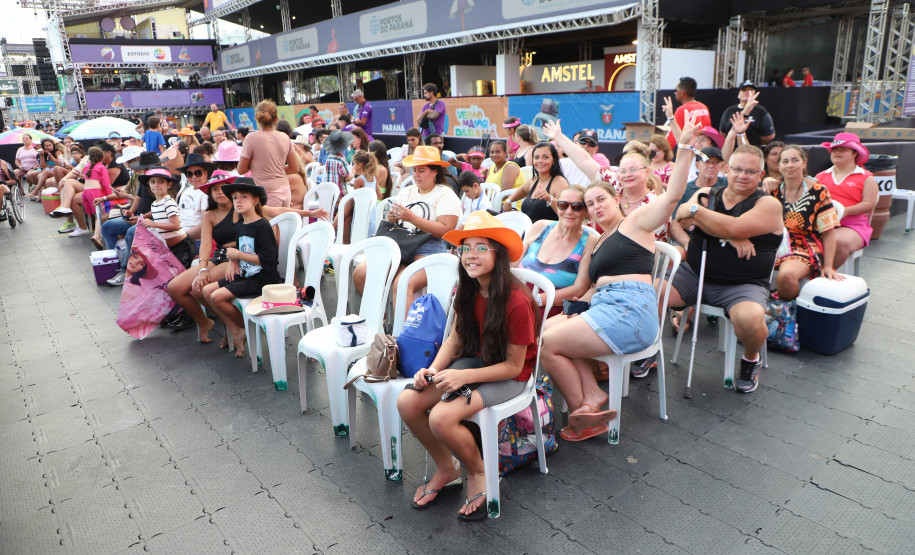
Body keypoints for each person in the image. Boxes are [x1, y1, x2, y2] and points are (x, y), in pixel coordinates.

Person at [538, 115, 701, 441]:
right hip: (605, 306)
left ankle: (583, 412)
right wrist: (543, 301)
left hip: (632, 309)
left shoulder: (636, 222)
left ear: (616, 199)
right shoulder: (597, 241)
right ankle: (593, 397)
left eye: (601, 199)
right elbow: (582, 287)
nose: (595, 207)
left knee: (550, 344)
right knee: (548, 329)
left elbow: (673, 196)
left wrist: (683, 147)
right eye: (589, 204)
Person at [396, 210, 538, 520]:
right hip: (474, 363)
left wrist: (464, 377)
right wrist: (433, 369)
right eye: (465, 248)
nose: (470, 255)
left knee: (442, 418)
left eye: (480, 248)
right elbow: (456, 340)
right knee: (407, 401)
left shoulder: (517, 300)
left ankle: (478, 472)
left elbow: (514, 367)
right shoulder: (469, 287)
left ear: (497, 253)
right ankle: (448, 468)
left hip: (508, 376)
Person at [670, 144, 784, 394]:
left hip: (743, 285)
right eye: (738, 169)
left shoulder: (768, 205)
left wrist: (700, 214)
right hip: (695, 274)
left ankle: (751, 359)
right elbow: (680, 217)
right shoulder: (708, 194)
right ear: (727, 169)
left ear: (761, 174)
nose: (743, 175)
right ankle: (646, 350)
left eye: (751, 172)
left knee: (751, 320)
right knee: (651, 294)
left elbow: (731, 226)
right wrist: (729, 233)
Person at [353, 146, 461, 307]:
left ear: (435, 172)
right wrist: (393, 218)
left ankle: (402, 332)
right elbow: (397, 220)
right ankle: (378, 319)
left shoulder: (445, 194)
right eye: (415, 170)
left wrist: (411, 217)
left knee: (402, 283)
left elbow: (446, 231)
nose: (416, 175)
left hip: (429, 249)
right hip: (402, 245)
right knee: (360, 274)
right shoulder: (407, 191)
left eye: (421, 170)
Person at [202, 178, 281, 358]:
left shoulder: (262, 225)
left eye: (244, 196)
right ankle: (238, 328)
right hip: (246, 274)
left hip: (263, 278)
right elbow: (237, 249)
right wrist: (233, 261)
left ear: (255, 200)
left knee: (217, 296)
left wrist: (238, 256)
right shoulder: (240, 226)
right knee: (207, 291)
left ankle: (246, 328)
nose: (238, 200)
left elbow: (270, 261)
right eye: (235, 197)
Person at [166, 171, 238, 344]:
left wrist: (308, 213)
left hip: (236, 257)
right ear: (210, 194)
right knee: (175, 287)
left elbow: (274, 211)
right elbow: (205, 244)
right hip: (218, 257)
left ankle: (233, 327)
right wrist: (203, 268)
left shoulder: (241, 207)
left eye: (223, 188)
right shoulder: (210, 215)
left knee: (199, 287)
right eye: (215, 189)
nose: (220, 192)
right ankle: (205, 321)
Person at [769, 145, 843, 301]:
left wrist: (828, 265)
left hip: (804, 246)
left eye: (795, 160)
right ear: (779, 166)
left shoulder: (819, 191)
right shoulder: (772, 190)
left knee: (787, 276)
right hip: (773, 243)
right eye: (785, 161)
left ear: (804, 163)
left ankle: (785, 312)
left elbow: (829, 233)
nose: (790, 165)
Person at [517, 186, 596, 318]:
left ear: (586, 211)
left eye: (576, 206)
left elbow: (579, 288)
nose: (569, 211)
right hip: (518, 294)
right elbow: (513, 265)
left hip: (550, 306)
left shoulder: (590, 242)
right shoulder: (540, 227)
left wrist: (537, 299)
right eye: (563, 205)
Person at [814, 132, 879, 268]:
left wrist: (845, 211)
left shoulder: (866, 178)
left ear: (855, 153)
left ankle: (823, 277)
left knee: (839, 242)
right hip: (822, 225)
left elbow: (869, 204)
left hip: (853, 227)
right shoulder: (820, 176)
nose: (837, 152)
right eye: (834, 149)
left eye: (843, 149)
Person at [103, 151, 161, 286]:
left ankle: (125, 270)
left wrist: (140, 218)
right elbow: (139, 198)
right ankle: (115, 264)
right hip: (138, 217)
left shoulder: (164, 181)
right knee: (107, 227)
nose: (146, 171)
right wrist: (131, 211)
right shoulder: (144, 179)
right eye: (145, 168)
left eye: (147, 168)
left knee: (131, 233)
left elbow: (162, 207)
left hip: (153, 221)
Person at [238, 100, 299, 208]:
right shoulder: (284, 137)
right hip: (284, 189)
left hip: (266, 193)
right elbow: (294, 168)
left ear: (256, 117)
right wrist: (276, 170)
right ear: (275, 119)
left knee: (269, 225)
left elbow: (241, 170)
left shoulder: (251, 138)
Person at [137, 166, 198, 269]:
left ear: (169, 185)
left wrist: (154, 224)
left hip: (182, 246)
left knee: (180, 274)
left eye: (161, 182)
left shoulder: (169, 202)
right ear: (148, 184)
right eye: (153, 182)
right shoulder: (155, 203)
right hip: (171, 247)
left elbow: (176, 225)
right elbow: (156, 212)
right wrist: (143, 217)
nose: (156, 185)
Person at [504, 142, 569, 223]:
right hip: (528, 230)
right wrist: (509, 200)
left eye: (545, 157)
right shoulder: (533, 180)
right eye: (536, 157)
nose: (540, 161)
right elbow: (523, 190)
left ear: (553, 160)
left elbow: (566, 212)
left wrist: (549, 198)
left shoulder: (559, 182)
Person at [718, 81, 776, 147]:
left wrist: (755, 144)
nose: (747, 92)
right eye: (744, 90)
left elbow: (770, 135)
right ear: (738, 94)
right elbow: (722, 133)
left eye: (751, 90)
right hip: (732, 150)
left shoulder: (761, 111)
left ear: (754, 93)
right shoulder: (729, 110)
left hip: (752, 149)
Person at [175, 153, 215, 240]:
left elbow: (205, 225)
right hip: (180, 235)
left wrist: (182, 237)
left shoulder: (207, 193)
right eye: (189, 174)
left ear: (205, 173)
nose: (193, 177)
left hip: (194, 240)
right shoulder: (186, 190)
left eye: (198, 173)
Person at [666, 76, 712, 151]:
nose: (675, 93)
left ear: (682, 92)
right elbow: (710, 132)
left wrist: (664, 153)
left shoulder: (682, 110)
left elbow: (673, 136)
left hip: (689, 151)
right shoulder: (704, 107)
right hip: (703, 150)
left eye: (676, 90)